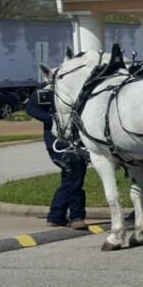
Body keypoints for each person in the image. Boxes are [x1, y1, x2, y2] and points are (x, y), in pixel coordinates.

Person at [24, 85, 88, 230]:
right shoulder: (48, 88)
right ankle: (76, 217)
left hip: (77, 141)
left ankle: (56, 216)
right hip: (57, 143)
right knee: (74, 176)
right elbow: (31, 108)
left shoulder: (77, 85)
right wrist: (53, 120)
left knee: (70, 179)